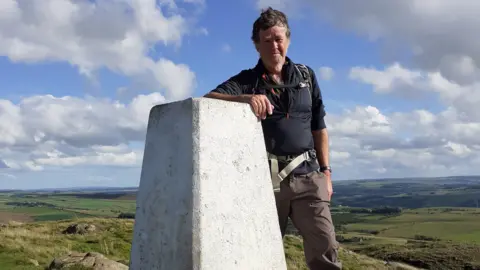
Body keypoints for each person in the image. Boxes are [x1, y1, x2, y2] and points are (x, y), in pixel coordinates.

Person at [204, 7, 342, 270]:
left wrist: (326, 172)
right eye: (266, 40)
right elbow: (209, 98)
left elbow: (319, 128)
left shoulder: (306, 76)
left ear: (288, 39)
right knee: (263, 251)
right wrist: (245, 98)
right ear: (257, 45)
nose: (274, 46)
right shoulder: (247, 81)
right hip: (266, 181)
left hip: (309, 176)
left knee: (324, 246)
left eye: (278, 39)